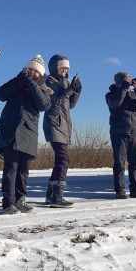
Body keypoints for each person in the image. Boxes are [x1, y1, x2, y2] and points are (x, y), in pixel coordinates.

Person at [0, 55, 52, 214]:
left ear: (41, 74)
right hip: (10, 131)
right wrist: (19, 81)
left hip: (29, 133)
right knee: (11, 167)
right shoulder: (17, 81)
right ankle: (8, 202)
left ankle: (21, 200)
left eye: (36, 71)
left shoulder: (44, 88)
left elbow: (44, 105)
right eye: (30, 69)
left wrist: (32, 85)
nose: (32, 72)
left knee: (24, 169)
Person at [43, 54, 82, 208]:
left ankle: (51, 195)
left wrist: (77, 91)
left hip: (64, 124)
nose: (65, 70)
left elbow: (70, 104)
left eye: (67, 68)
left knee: (60, 160)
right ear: (54, 67)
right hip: (54, 123)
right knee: (63, 159)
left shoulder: (64, 82)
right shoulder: (49, 81)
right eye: (62, 67)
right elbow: (54, 102)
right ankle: (57, 197)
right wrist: (69, 90)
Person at [105, 72, 136, 199]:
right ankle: (120, 190)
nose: (129, 81)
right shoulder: (110, 94)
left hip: (135, 133)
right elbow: (115, 103)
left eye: (129, 79)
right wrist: (124, 88)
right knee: (120, 164)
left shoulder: (134, 95)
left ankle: (135, 189)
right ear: (119, 82)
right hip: (119, 133)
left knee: (135, 163)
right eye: (126, 79)